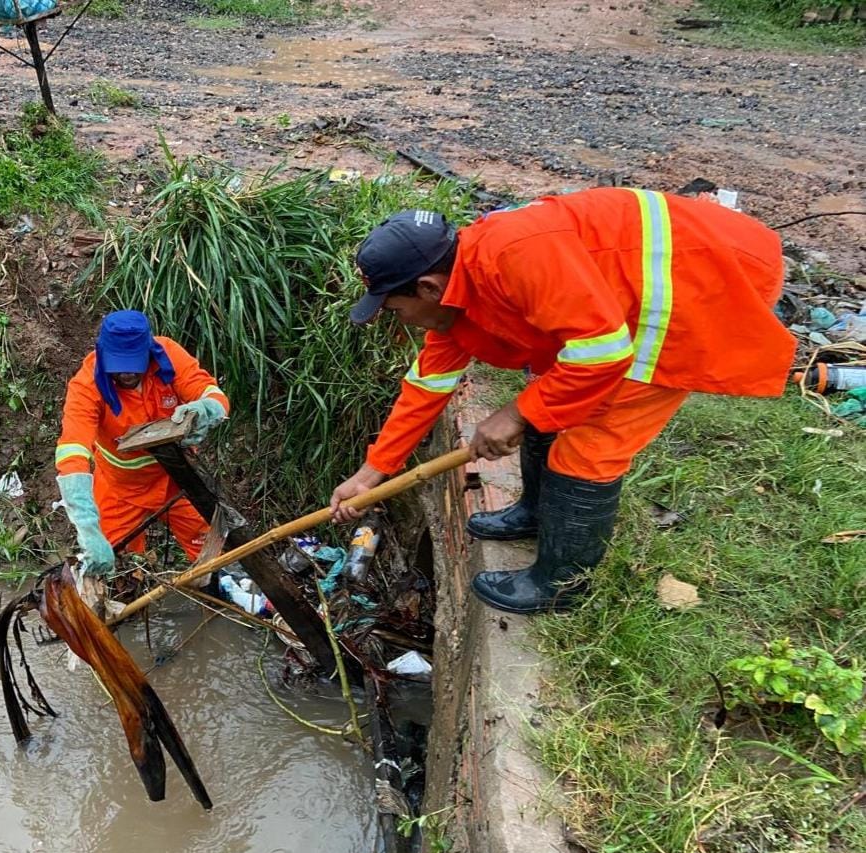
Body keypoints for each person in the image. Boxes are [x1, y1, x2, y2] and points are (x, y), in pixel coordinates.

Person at [329, 191, 795, 614]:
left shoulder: (515, 256)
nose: (402, 320)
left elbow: (605, 352)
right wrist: (372, 473)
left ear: (429, 288)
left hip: (701, 284)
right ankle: (536, 513)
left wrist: (515, 413)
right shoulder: (459, 292)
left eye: (395, 308)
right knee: (552, 399)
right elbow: (427, 387)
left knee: (589, 445)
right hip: (628, 301)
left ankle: (561, 583)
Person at [55, 309, 229, 575]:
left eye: (133, 363)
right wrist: (87, 527)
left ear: (149, 350)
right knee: (118, 570)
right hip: (120, 490)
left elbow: (210, 392)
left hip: (179, 481)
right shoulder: (86, 386)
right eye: (118, 364)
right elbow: (72, 451)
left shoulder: (169, 355)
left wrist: (205, 410)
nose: (126, 373)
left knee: (213, 557)